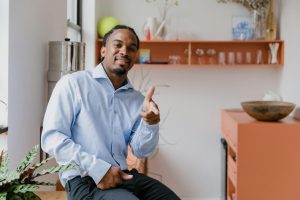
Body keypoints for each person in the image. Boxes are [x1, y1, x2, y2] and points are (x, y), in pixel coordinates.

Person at [41, 25, 181, 200]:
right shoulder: (73, 84)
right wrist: (98, 168)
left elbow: (141, 151)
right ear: (103, 50)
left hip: (122, 176)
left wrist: (150, 124)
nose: (124, 51)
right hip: (84, 179)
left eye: (131, 48)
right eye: (118, 45)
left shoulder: (138, 100)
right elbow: (52, 138)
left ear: (135, 56)